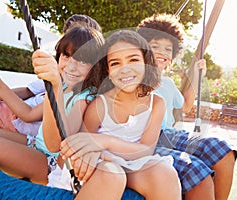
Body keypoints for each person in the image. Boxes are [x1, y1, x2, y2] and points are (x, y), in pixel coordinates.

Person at [44, 30, 181, 199]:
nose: (125, 69)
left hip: (130, 162)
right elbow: (80, 146)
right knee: (112, 174)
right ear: (108, 70)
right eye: (116, 63)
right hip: (101, 166)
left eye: (133, 60)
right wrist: (97, 152)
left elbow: (146, 150)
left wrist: (105, 142)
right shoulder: (100, 105)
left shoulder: (157, 103)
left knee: (164, 173)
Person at [0, 26, 105, 189]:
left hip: (50, 162)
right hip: (34, 144)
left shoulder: (85, 97)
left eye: (83, 60)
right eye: (67, 56)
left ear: (96, 66)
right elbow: (27, 114)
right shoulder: (63, 87)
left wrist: (54, 88)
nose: (71, 65)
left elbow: (56, 144)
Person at [137, 13, 237, 200]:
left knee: (223, 151)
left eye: (168, 49)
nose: (162, 52)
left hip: (168, 134)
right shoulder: (133, 76)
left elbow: (185, 105)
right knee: (197, 171)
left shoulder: (167, 84)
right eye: (155, 46)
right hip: (142, 137)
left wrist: (197, 76)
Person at [0, 14, 101, 136]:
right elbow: (28, 90)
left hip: (14, 123)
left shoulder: (77, 94)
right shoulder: (58, 75)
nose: (72, 65)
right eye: (67, 54)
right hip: (3, 111)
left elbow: (29, 115)